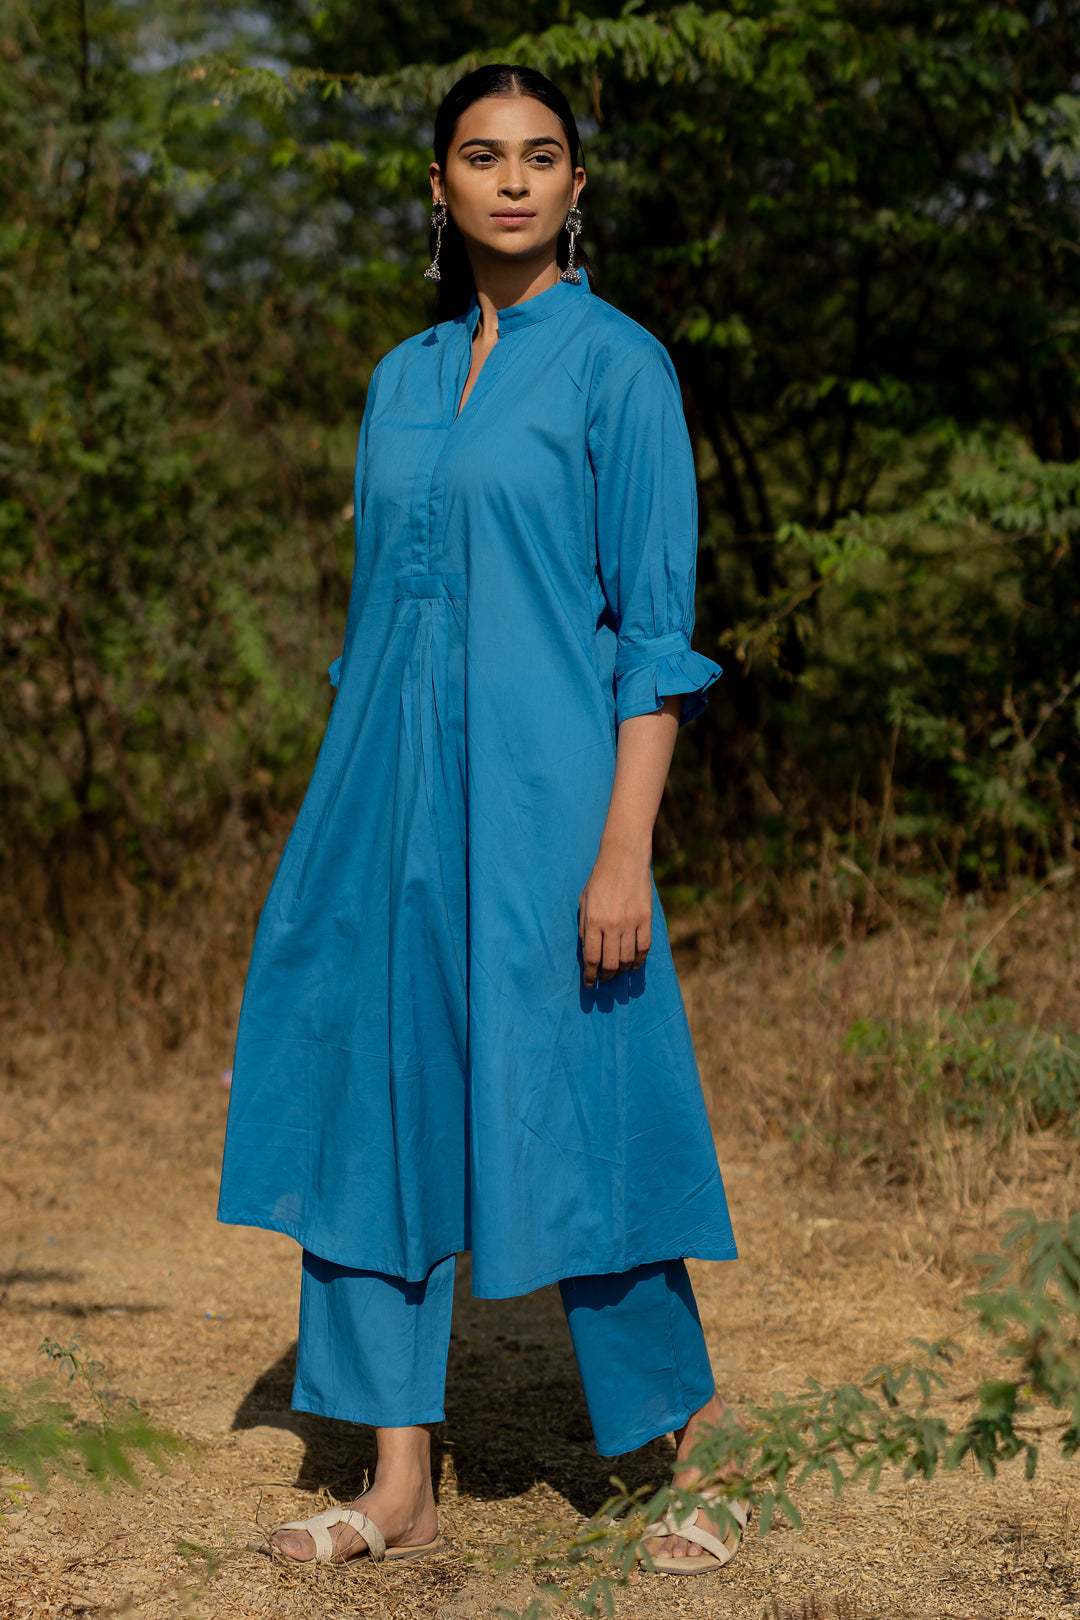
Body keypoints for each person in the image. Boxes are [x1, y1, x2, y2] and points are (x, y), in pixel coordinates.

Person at [218, 62, 744, 1577]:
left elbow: (655, 639)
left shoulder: (620, 368)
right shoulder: (400, 377)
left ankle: (697, 1449)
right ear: (438, 186)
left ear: (578, 187)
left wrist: (623, 847)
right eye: (481, 154)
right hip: (382, 799)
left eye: (542, 154)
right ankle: (398, 1484)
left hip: (546, 805)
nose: (512, 179)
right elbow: (377, 615)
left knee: (585, 1109)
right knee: (374, 1111)